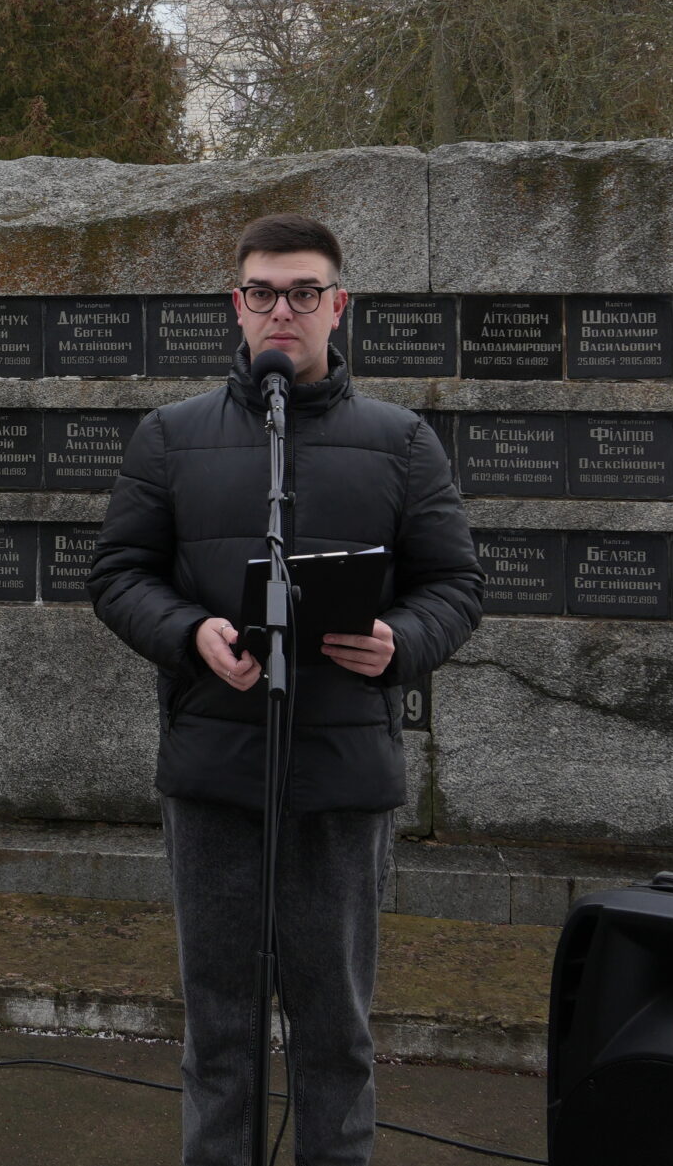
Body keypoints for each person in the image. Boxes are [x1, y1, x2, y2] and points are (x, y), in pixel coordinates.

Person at [91, 213, 481, 1165]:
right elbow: (117, 574)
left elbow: (458, 585)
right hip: (216, 771)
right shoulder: (170, 437)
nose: (283, 311)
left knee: (336, 1034)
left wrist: (400, 641)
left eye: (304, 292)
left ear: (338, 306)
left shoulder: (401, 441)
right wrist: (189, 632)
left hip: (340, 778)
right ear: (238, 304)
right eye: (262, 292)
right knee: (218, 1031)